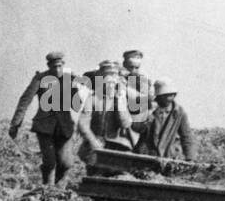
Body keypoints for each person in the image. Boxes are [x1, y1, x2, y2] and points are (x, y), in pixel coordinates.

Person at [9, 50, 84, 186]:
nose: (57, 69)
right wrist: (15, 124)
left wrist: (75, 89)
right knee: (50, 162)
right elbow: (25, 100)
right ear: (48, 66)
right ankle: (48, 188)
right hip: (44, 126)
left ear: (63, 65)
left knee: (66, 163)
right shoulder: (40, 79)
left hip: (64, 128)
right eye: (54, 66)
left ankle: (59, 186)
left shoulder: (69, 80)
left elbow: (76, 106)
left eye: (60, 66)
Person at [78, 58, 136, 149]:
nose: (110, 81)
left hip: (118, 143)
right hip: (95, 142)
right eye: (107, 76)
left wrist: (119, 102)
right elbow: (83, 124)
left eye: (114, 76)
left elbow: (125, 124)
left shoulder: (121, 98)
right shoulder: (92, 99)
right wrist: (93, 141)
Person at [134, 80, 195, 161]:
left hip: (168, 155)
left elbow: (186, 136)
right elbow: (137, 128)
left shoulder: (179, 113)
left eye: (172, 94)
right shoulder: (148, 108)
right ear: (159, 96)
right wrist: (147, 116)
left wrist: (190, 157)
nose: (170, 97)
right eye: (166, 95)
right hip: (147, 154)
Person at [120, 49, 155, 124]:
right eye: (130, 67)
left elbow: (147, 99)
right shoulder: (119, 78)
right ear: (124, 65)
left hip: (138, 118)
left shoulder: (144, 81)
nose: (133, 70)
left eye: (136, 67)